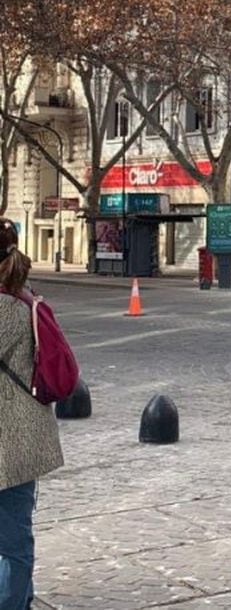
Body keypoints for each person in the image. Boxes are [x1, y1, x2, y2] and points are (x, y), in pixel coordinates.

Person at [0, 218, 63, 609]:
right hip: (24, 438)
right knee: (15, 534)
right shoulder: (25, 299)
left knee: (10, 542)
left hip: (7, 440)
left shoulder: (5, 309)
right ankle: (18, 599)